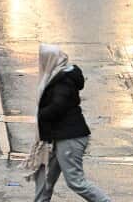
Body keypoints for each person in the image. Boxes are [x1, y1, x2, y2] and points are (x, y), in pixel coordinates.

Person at [24, 44, 111, 202]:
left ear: (49, 60)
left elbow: (58, 106)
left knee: (76, 181)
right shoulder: (58, 76)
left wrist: (41, 115)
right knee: (44, 178)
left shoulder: (62, 81)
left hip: (70, 139)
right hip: (57, 138)